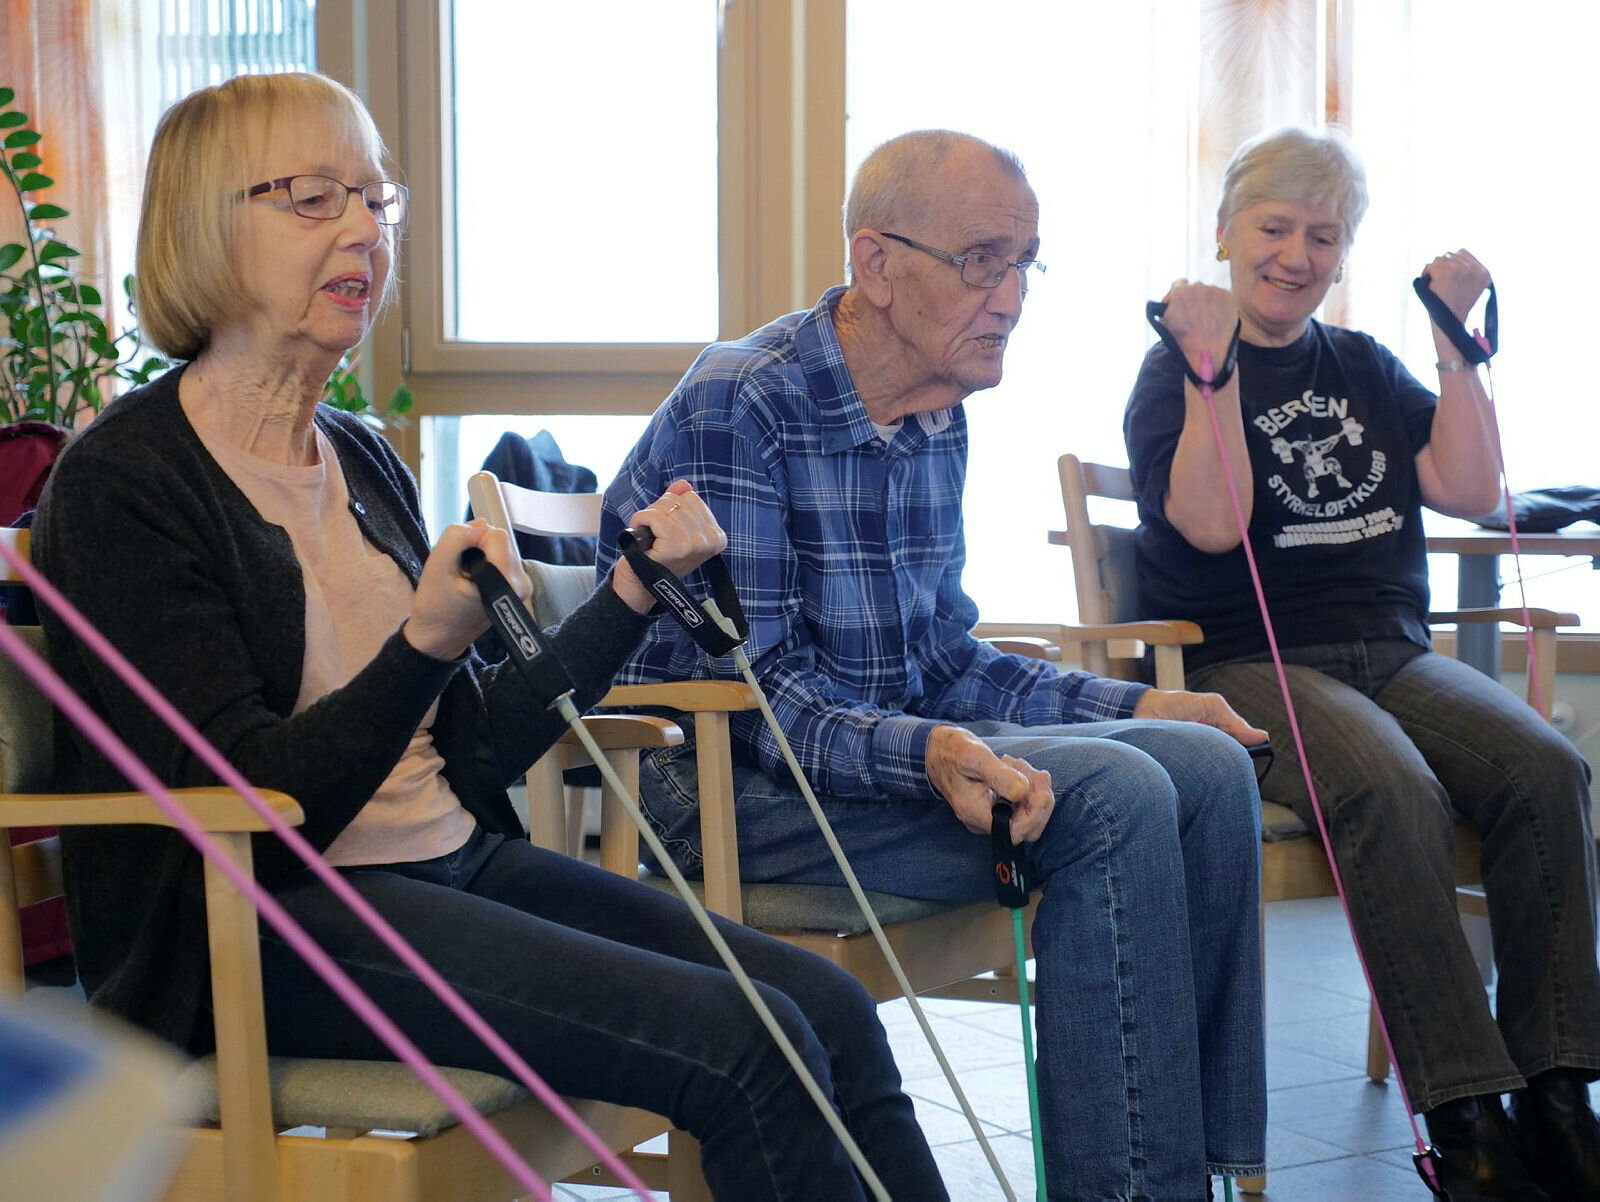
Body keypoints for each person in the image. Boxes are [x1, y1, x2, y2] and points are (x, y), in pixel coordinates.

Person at [31, 72, 944, 1202]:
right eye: (315, 198)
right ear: (202, 227)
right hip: (255, 926)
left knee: (828, 1005)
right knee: (740, 1044)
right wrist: (417, 644)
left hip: (446, 862)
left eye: (377, 200)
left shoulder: (360, 457)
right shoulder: (127, 480)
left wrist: (630, 596)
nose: (366, 229)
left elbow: (463, 756)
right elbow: (252, 815)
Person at [598, 128, 1269, 1201]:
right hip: (716, 788)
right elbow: (760, 699)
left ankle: (1218, 1172)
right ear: (874, 264)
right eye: (980, 261)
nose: (1009, 297)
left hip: (858, 762)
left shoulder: (933, 412)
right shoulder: (745, 402)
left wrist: (1142, 696)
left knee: (1200, 761)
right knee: (1117, 797)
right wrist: (934, 754)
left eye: (1023, 263)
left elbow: (940, 658)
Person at [1125, 125, 1600, 1202]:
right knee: (1389, 783)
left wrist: (1451, 339)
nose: (1295, 254)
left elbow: (1470, 488)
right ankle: (1466, 1117)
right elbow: (1211, 523)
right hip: (1246, 661)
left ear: (1345, 254)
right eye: (1273, 227)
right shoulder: (1175, 369)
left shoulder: (1366, 366)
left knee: (1544, 768)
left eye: (1322, 236)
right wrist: (1211, 373)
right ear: (1226, 233)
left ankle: (1562, 1095)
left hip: (1387, 649)